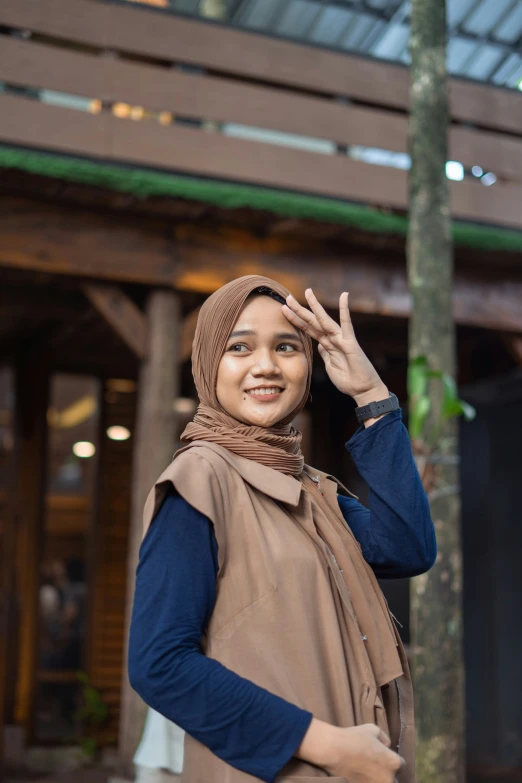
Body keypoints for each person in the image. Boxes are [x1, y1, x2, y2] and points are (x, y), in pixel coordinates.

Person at [129, 275, 436, 783]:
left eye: (287, 347)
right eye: (240, 347)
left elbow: (407, 549)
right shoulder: (199, 479)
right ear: (208, 362)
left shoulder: (312, 487)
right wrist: (327, 745)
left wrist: (370, 394)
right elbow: (160, 664)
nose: (266, 365)